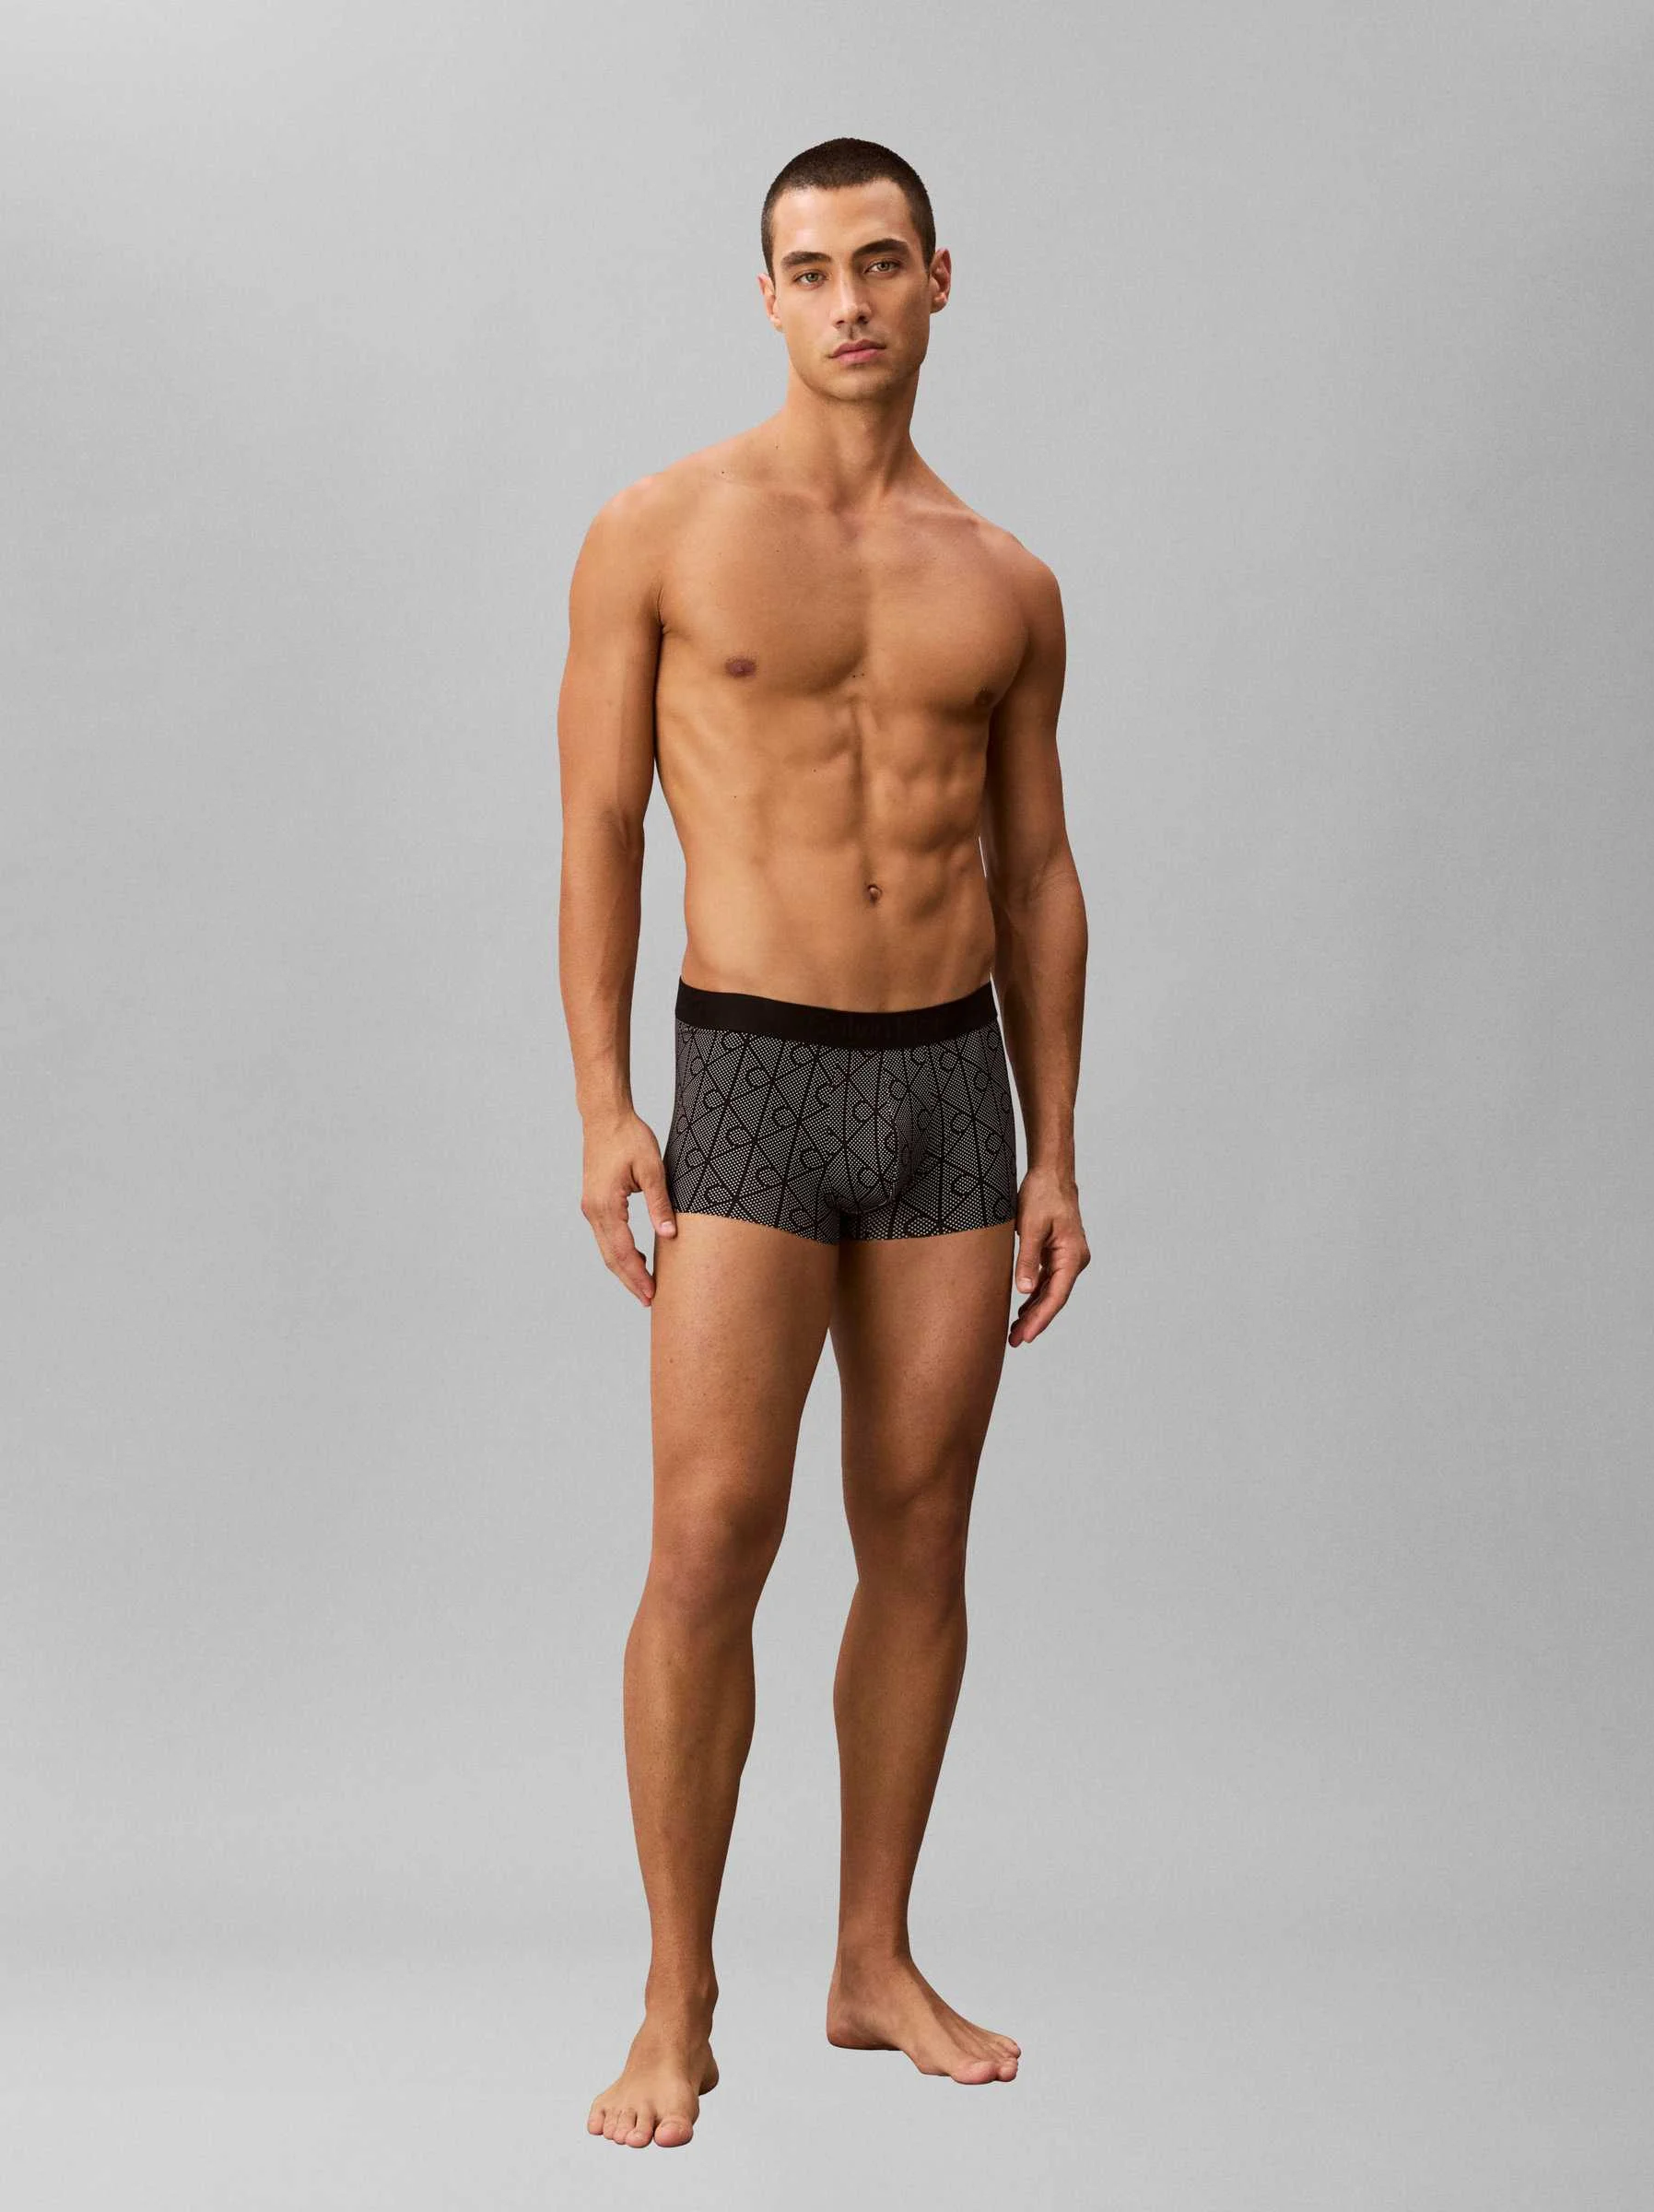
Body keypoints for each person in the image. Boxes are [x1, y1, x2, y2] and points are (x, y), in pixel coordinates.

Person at [557, 135, 1090, 2151]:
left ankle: (873, 1962)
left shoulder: (1006, 580)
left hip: (949, 1083)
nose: (849, 300)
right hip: (757, 1074)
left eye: (881, 262)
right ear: (767, 296)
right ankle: (674, 1998)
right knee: (710, 1539)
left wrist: (1055, 1149)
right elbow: (599, 827)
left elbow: (1038, 873)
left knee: (921, 1532)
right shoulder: (660, 534)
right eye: (811, 268)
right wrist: (605, 1100)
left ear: (940, 279)